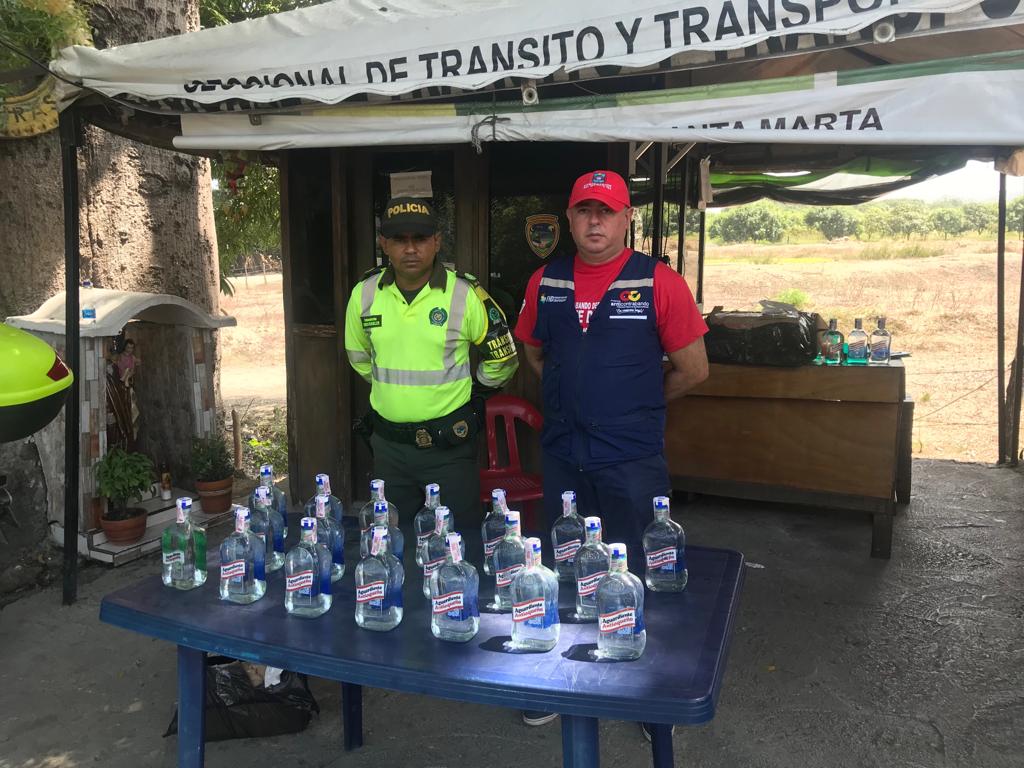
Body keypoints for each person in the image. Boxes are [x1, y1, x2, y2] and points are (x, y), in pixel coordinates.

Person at [514, 169, 709, 730]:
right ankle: (561, 679)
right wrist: (575, 397)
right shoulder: (546, 281)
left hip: (630, 456)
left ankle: (647, 688)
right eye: (584, 210)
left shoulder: (658, 281)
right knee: (567, 564)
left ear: (627, 219)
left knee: (639, 565)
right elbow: (534, 353)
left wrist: (634, 403)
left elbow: (694, 369)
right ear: (569, 218)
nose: (594, 221)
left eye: (606, 211)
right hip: (564, 452)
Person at [345, 196, 519, 530]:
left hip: (448, 449)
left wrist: (474, 391)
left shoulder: (464, 294)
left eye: (420, 238)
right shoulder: (364, 294)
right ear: (383, 243)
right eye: (399, 239)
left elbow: (503, 357)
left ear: (437, 241)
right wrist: (396, 392)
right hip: (389, 449)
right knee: (394, 540)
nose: (410, 249)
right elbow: (359, 358)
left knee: (457, 541)